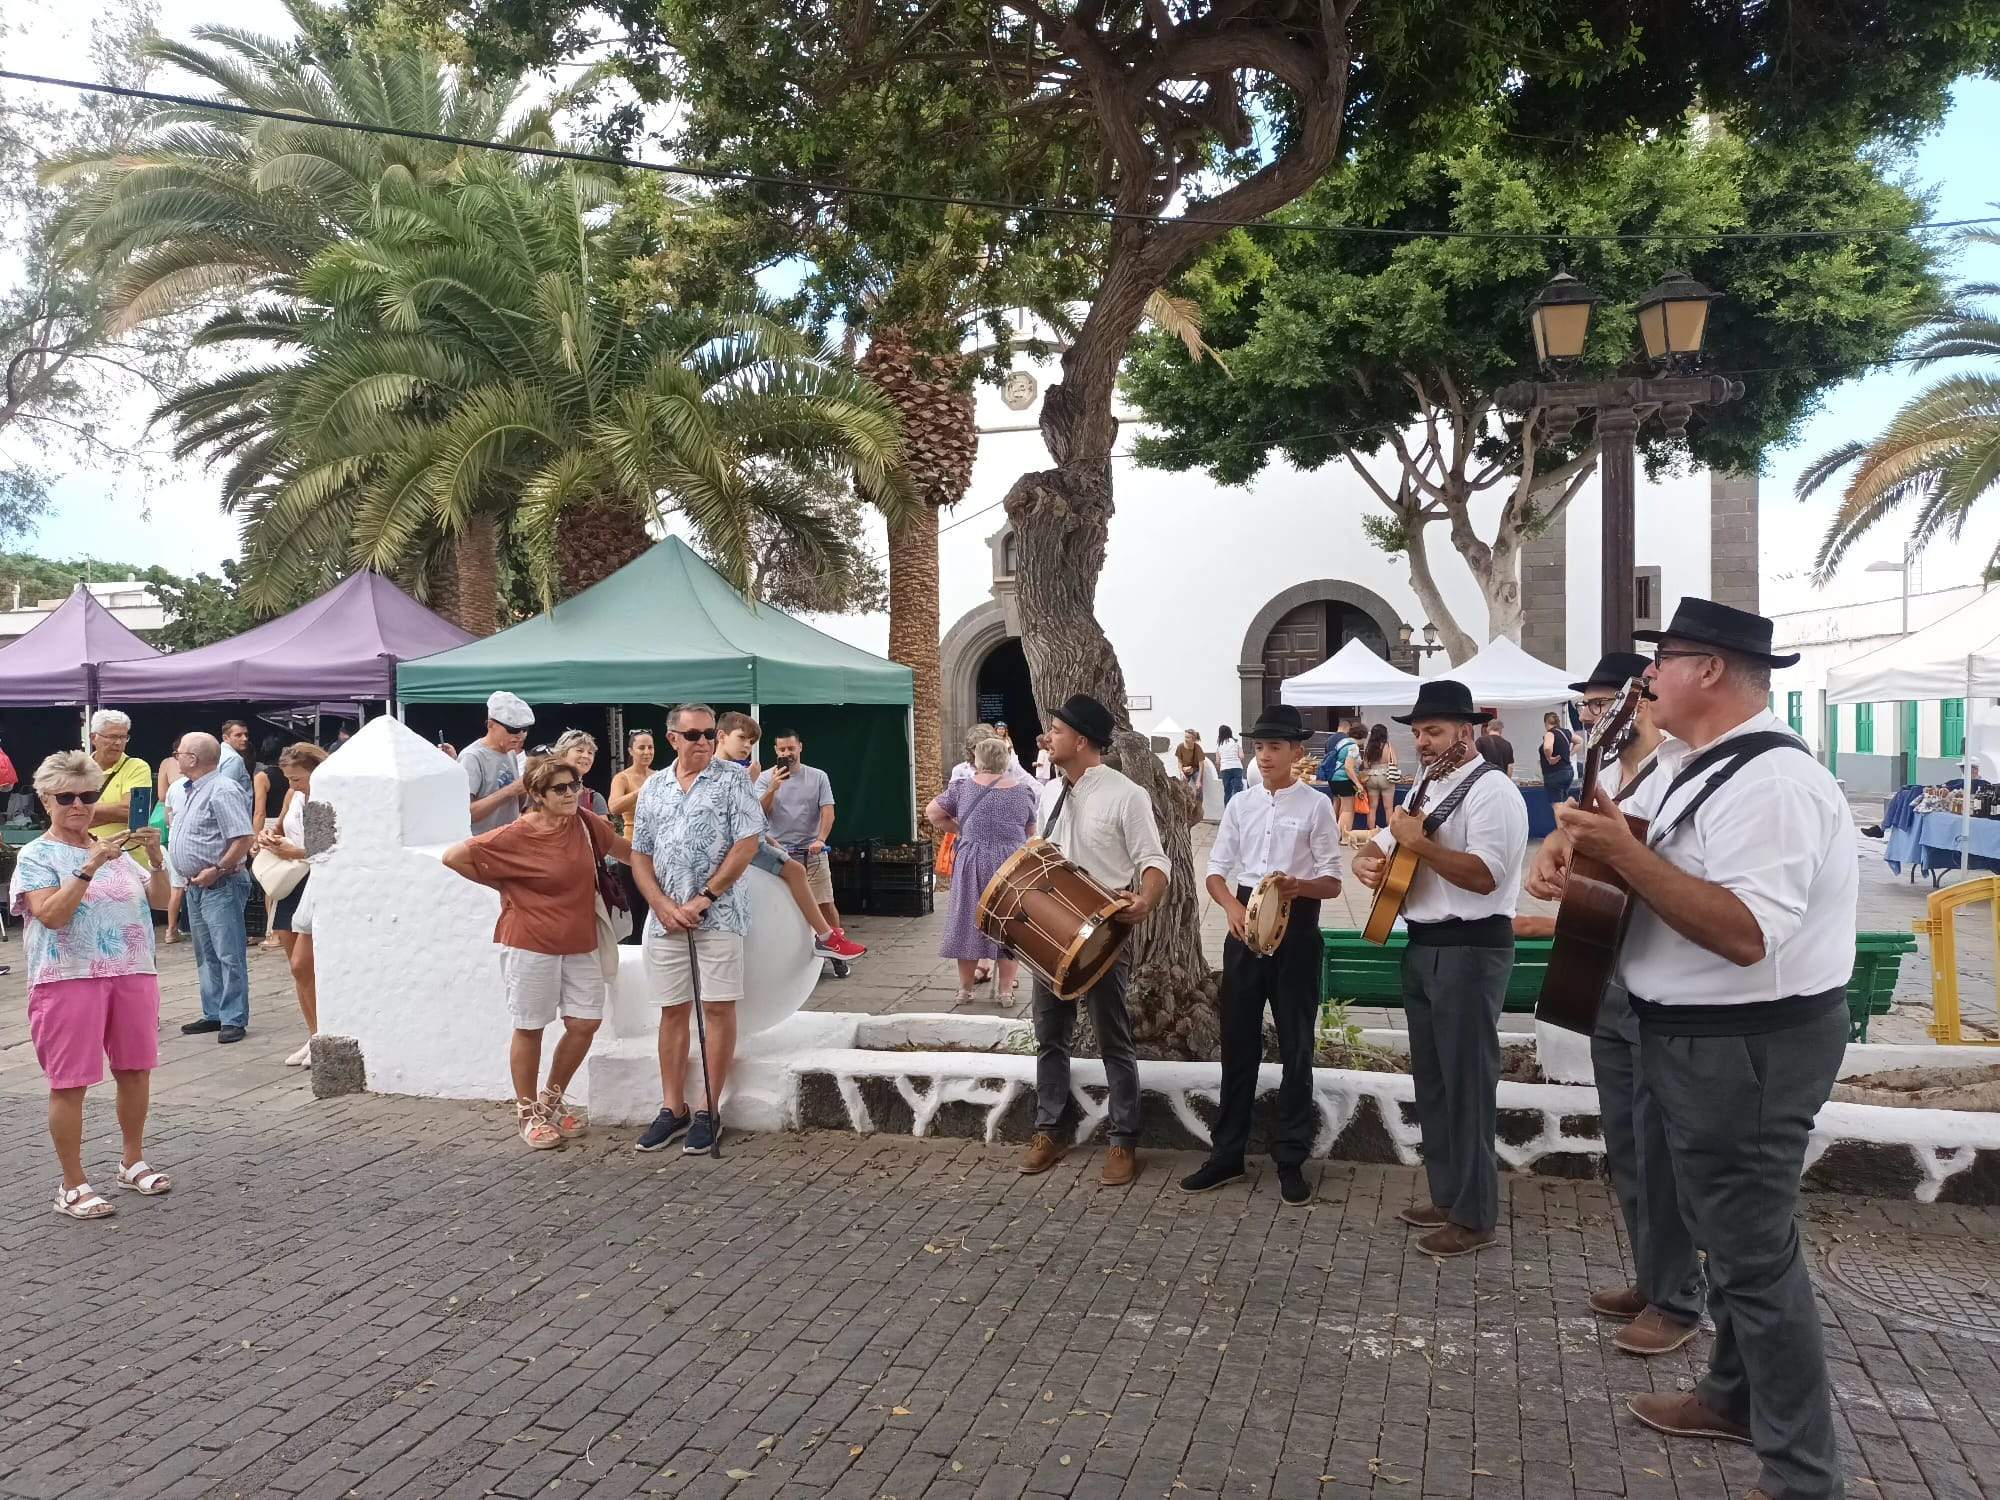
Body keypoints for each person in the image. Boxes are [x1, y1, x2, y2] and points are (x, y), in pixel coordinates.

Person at [1543, 600, 1855, 1500]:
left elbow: (1750, 931)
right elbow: (1624, 843)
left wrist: (1623, 859)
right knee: (1728, 1240)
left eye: (1663, 661)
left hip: (1746, 1047)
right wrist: (1571, 848)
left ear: (1710, 670)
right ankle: (1733, 1399)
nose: (1647, 680)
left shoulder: (1774, 786)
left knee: (1755, 1260)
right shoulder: (1684, 763)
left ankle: (1802, 1476)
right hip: (1686, 1035)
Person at [1526, 650, 1701, 1355]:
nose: (1594, 716)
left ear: (1643, 703)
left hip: (1656, 986)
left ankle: (1680, 1299)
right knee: (1627, 1147)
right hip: (1610, 975)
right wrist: (1559, 845)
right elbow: (1599, 847)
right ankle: (1655, 1276)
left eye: (1606, 703)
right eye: (1589, 706)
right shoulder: (1615, 780)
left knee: (1659, 1151)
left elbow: (1661, 872)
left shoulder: (1676, 778)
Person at [1351, 680, 1528, 1257]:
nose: (1423, 742)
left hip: (1471, 948)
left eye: (1434, 731)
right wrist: (1367, 864)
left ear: (1465, 731)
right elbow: (1379, 845)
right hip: (1425, 943)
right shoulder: (1427, 785)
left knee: (1468, 1084)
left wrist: (1418, 846)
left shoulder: (1492, 790)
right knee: (1434, 1080)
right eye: (1418, 732)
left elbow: (1487, 876)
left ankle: (1475, 1216)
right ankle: (1447, 1195)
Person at [1181, 705, 1342, 1205]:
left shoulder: (1316, 805)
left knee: (1297, 1047)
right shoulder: (1240, 805)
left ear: (1297, 753)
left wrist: (1298, 886)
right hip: (1245, 927)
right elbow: (1216, 869)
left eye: (1275, 747)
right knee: (1238, 1043)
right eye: (1259, 747)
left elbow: (1334, 880)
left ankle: (1291, 1158)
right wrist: (1230, 906)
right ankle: (1226, 1154)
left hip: (1298, 929)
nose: (1265, 756)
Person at [10, 750, 173, 1219]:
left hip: (132, 970)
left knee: (135, 1070)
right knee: (70, 1083)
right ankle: (72, 1184)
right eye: (66, 797)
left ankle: (132, 1159)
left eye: (87, 796)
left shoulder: (116, 848)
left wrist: (157, 859)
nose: (78, 806)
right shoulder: (36, 855)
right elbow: (52, 916)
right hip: (68, 977)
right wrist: (87, 867)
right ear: (46, 801)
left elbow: (160, 902)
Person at [443, 753, 632, 1149]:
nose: (570, 794)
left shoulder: (584, 823)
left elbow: (623, 850)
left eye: (574, 786)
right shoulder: (515, 834)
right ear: (537, 795)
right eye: (560, 788)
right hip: (529, 940)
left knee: (585, 1023)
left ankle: (551, 1099)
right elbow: (453, 856)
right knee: (530, 1025)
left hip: (581, 939)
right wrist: (504, 886)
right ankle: (527, 1110)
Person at [1019, 695, 1169, 1187]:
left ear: (1080, 740)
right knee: (1050, 1037)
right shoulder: (1049, 794)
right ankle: (1049, 1130)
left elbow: (1154, 860)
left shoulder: (1127, 795)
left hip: (1103, 935)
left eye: (1056, 731)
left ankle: (1124, 1139)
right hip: (1051, 934)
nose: (1048, 738)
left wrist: (1145, 900)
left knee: (1113, 1040)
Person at [630, 704, 768, 1156]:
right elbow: (640, 855)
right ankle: (673, 1108)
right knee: (671, 1010)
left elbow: (748, 842)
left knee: (717, 1009)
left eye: (710, 734)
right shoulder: (652, 788)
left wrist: (703, 898)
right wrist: (662, 905)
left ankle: (710, 1108)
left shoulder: (733, 780)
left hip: (720, 914)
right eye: (694, 735)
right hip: (665, 919)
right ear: (673, 739)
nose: (705, 742)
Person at [926, 735, 1039, 1003]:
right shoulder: (1023, 792)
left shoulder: (962, 788)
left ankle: (965, 990)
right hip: (1010, 865)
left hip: (971, 860)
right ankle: (1005, 991)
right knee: (1009, 925)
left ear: (978, 759)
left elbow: (933, 813)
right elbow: (1030, 831)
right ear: (1005, 760)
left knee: (967, 921)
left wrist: (960, 829)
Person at [169, 732, 257, 1044]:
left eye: (179, 752)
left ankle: (233, 1017)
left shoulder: (222, 789)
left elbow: (243, 837)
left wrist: (217, 869)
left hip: (221, 882)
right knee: (206, 953)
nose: (176, 757)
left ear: (192, 759)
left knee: (228, 953)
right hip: (197, 884)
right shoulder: (191, 789)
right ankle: (215, 1012)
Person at [256, 743, 328, 1067]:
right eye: (289, 779)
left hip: (316, 877)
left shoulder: (329, 796)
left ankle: (323, 1033)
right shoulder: (293, 795)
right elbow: (281, 827)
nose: (293, 785)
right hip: (293, 880)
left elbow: (327, 846)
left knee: (305, 963)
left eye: (298, 779)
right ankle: (313, 1034)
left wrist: (293, 851)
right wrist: (268, 838)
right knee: (296, 967)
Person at [756, 730, 864, 947]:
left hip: (811, 849)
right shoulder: (765, 778)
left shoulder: (817, 776)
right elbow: (757, 814)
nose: (788, 753)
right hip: (778, 851)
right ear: (776, 751)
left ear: (800, 747)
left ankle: (837, 947)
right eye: (783, 749)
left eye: (791, 748)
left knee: (825, 902)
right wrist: (772, 789)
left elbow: (828, 810)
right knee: (776, 904)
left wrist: (821, 839)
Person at [85, 709, 151, 869]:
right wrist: (113, 813)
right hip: (87, 859)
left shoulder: (137, 766)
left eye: (123, 737)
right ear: (93, 737)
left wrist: (85, 812)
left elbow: (130, 811)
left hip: (129, 860)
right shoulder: (77, 768)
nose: (118, 743)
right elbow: (63, 816)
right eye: (112, 736)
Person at [609, 729, 657, 946]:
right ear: (630, 751)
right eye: (642, 748)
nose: (647, 752)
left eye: (651, 747)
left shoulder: (658, 776)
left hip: (657, 850)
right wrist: (641, 791)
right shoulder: (623, 777)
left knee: (653, 907)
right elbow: (614, 806)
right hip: (630, 849)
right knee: (636, 908)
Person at [463, 691, 534, 834]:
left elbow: (516, 806)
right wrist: (510, 790)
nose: (520, 736)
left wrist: (526, 786)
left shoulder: (510, 753)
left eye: (524, 729)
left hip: (507, 841)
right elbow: (465, 814)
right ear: (491, 725)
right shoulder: (472, 757)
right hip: (481, 846)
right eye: (513, 729)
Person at [158, 743, 190, 945]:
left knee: (177, 887)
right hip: (190, 842)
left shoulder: (174, 787)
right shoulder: (199, 785)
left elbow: (167, 817)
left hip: (174, 840)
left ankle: (171, 930)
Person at [1322, 714, 1364, 840]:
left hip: (1333, 778)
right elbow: (1348, 767)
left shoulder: (1342, 742)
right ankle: (1343, 837)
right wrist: (1358, 784)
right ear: (1362, 737)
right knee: (1348, 810)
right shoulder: (1353, 747)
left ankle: (1336, 833)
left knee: (1340, 805)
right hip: (1344, 779)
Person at [550, 729, 609, 816]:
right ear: (562, 754)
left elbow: (604, 829)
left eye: (590, 753)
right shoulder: (542, 791)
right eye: (579, 750)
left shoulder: (594, 799)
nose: (586, 756)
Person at [1360, 722, 1399, 832]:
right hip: (1386, 777)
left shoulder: (1369, 748)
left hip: (1372, 777)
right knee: (1388, 808)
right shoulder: (1388, 746)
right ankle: (1389, 834)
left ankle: (1371, 833)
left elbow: (1366, 765)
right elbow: (1394, 762)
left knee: (1372, 808)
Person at [1539, 711, 1575, 804]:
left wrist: (1549, 758)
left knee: (1556, 805)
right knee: (1563, 801)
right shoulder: (1566, 732)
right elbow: (1580, 741)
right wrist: (1570, 753)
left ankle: (1558, 818)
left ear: (1546, 723)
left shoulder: (1550, 733)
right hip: (1568, 771)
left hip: (1554, 773)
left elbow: (1547, 747)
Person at [716, 711, 763, 782]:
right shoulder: (702, 768)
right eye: (742, 737)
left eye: (751, 742)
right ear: (722, 736)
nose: (748, 745)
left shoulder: (747, 772)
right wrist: (748, 781)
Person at [218, 720, 255, 793]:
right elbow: (226, 792)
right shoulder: (233, 759)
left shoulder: (218, 752)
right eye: (238, 735)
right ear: (225, 738)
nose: (245, 739)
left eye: (246, 735)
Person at [1215, 726, 1244, 804]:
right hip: (1237, 767)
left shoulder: (1219, 744)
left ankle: (1228, 811)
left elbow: (1217, 761)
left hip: (1225, 768)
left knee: (1227, 791)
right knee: (1238, 790)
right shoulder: (1236, 742)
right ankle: (1239, 808)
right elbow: (1241, 756)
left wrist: (1220, 768)